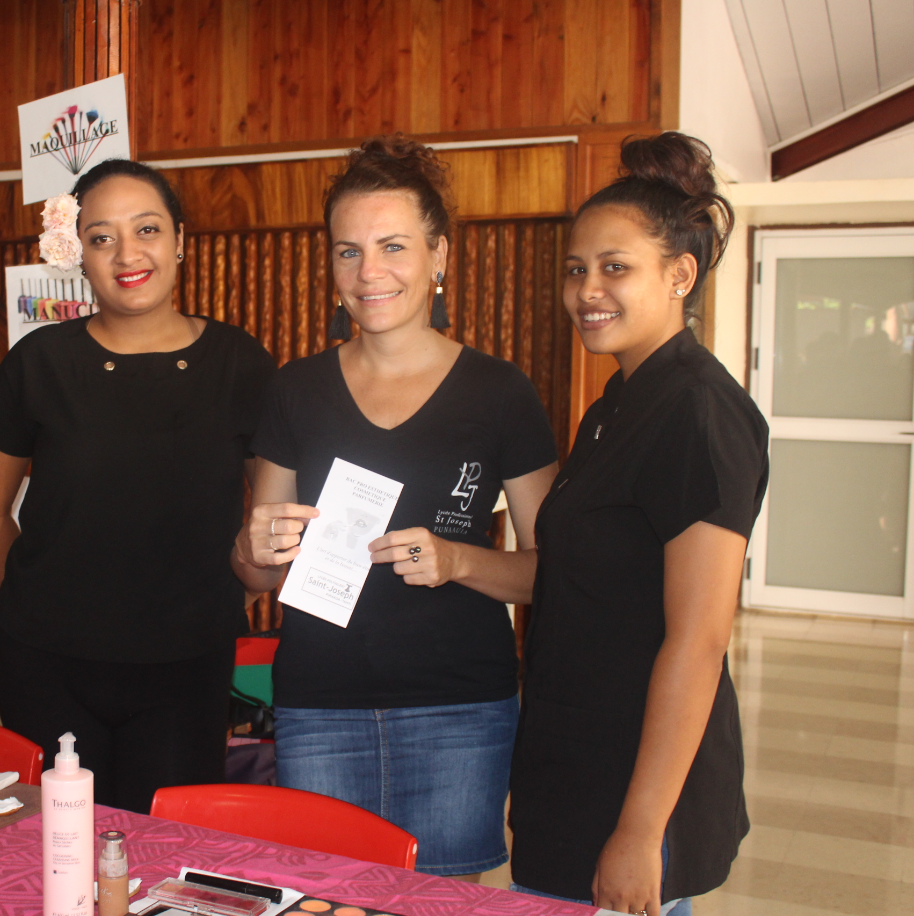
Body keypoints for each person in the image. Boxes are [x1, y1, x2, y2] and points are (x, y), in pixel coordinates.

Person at [233, 136, 560, 879]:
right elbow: (257, 575)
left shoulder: (500, 393)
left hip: (461, 710)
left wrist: (457, 560)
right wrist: (252, 547)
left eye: (392, 247)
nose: (368, 272)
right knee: (325, 895)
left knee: (441, 900)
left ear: (438, 255)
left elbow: (551, 572)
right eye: (348, 251)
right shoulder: (294, 390)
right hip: (320, 704)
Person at [0, 159, 276, 813]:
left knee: (164, 843)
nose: (127, 254)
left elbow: (271, 516)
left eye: (147, 229)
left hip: (188, 667)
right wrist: (28, 603)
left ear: (180, 239)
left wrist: (228, 597)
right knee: (57, 845)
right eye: (101, 237)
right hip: (46, 666)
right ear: (79, 254)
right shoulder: (41, 362)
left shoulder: (238, 362)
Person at [508, 133, 769, 916]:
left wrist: (638, 832)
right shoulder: (615, 403)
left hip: (635, 783)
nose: (586, 290)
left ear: (678, 275)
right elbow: (580, 575)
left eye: (613, 268)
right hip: (575, 759)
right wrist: (452, 562)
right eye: (574, 269)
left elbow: (698, 640)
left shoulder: (697, 411)